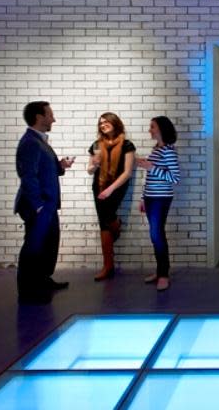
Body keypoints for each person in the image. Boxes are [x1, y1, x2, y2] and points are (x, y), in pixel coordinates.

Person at [14, 101, 74, 303]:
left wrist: (60, 165)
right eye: (50, 115)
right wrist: (38, 205)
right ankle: (29, 291)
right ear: (39, 117)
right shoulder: (30, 142)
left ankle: (43, 280)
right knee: (34, 247)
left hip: (47, 205)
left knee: (48, 245)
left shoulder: (40, 141)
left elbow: (44, 169)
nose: (53, 119)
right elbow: (28, 175)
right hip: (38, 206)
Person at [87, 113, 135, 281]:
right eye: (100, 123)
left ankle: (116, 224)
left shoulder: (127, 145)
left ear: (115, 123)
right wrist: (95, 164)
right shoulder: (95, 145)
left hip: (118, 186)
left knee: (107, 218)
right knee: (104, 222)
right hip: (99, 186)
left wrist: (111, 189)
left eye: (106, 122)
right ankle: (108, 266)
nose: (103, 125)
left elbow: (128, 172)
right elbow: (90, 170)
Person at [136, 116, 180, 292]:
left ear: (161, 129)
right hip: (151, 198)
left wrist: (150, 167)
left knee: (157, 235)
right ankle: (160, 271)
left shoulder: (168, 151)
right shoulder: (157, 149)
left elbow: (175, 178)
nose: (150, 130)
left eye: (152, 127)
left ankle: (163, 274)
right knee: (155, 235)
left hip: (161, 198)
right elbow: (150, 177)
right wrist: (142, 197)